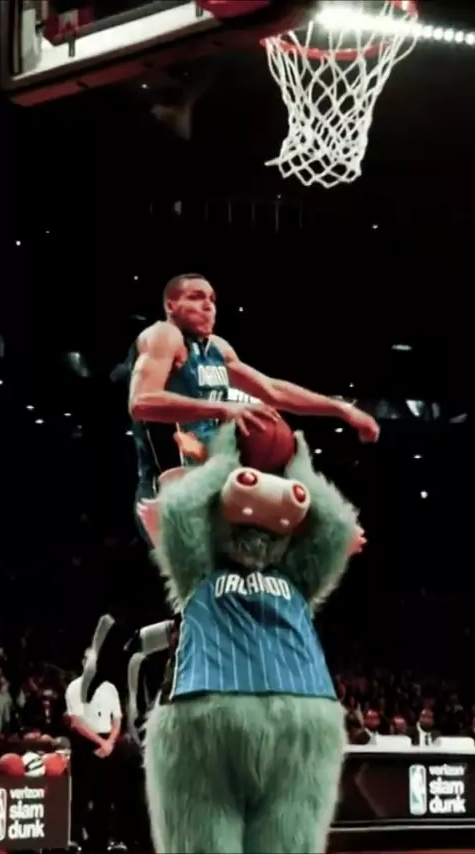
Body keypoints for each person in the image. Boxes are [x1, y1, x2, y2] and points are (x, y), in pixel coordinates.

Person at [83, 272, 379, 703]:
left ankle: (129, 648)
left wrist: (341, 409)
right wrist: (223, 409)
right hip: (170, 488)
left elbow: (273, 389)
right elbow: (141, 402)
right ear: (170, 306)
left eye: (212, 299)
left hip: (213, 488)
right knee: (209, 594)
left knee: (229, 594)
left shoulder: (218, 349)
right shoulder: (164, 337)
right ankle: (136, 664)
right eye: (195, 297)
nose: (208, 305)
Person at [65, 651, 125, 852]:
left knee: (107, 793)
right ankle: (74, 838)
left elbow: (117, 718)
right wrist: (101, 742)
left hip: (108, 741)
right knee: (81, 793)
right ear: (84, 663)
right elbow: (77, 722)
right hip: (85, 742)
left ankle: (107, 838)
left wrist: (110, 742)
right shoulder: (75, 687)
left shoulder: (110, 688)